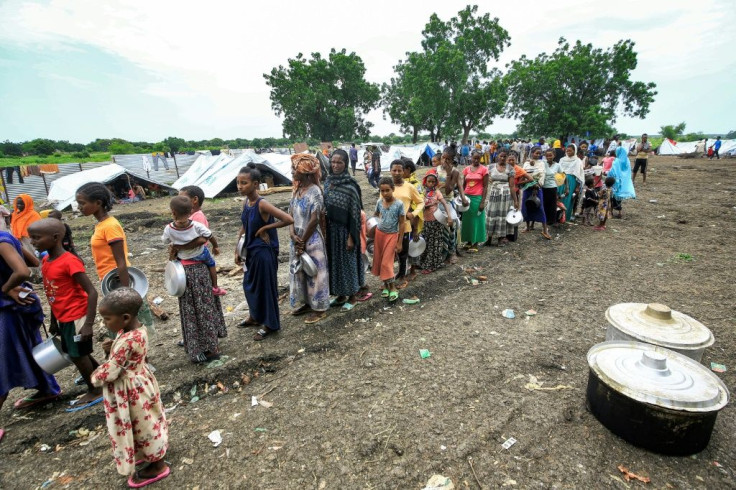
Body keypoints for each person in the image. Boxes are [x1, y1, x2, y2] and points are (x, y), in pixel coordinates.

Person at [91, 288, 169, 487]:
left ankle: (158, 465)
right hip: (141, 382)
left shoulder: (127, 340)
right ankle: (148, 452)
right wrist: (113, 347)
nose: (104, 323)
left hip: (131, 390)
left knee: (143, 425)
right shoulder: (135, 330)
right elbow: (125, 352)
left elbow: (110, 371)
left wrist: (95, 376)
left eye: (107, 319)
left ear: (125, 317)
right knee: (145, 421)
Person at [29, 219, 102, 411]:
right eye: (31, 237)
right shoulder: (46, 261)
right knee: (78, 353)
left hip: (76, 315)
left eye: (37, 238)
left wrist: (88, 323)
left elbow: (92, 292)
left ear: (55, 238)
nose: (33, 241)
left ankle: (95, 390)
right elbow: (53, 294)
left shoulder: (69, 261)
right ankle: (101, 379)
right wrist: (54, 321)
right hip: (63, 316)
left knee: (78, 355)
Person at [0, 229, 61, 435]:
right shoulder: (7, 236)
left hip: (10, 307)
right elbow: (35, 262)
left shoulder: (1, 241)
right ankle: (47, 389)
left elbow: (24, 272)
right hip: (18, 303)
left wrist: (6, 287)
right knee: (28, 346)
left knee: (4, 359)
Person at [74, 183, 155, 333]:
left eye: (82, 203)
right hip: (111, 282)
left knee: (129, 330)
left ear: (98, 203)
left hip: (119, 282)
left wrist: (125, 294)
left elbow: (121, 262)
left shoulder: (110, 226)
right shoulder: (101, 225)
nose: (79, 207)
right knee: (123, 332)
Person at [236, 164, 293, 340]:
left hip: (263, 254)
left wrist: (265, 228)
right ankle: (255, 316)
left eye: (244, 183)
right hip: (251, 252)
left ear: (255, 184)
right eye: (238, 183)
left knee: (266, 289)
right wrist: (237, 248)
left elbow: (288, 219)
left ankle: (270, 324)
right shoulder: (246, 202)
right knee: (250, 286)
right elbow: (244, 225)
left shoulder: (263, 204)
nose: (240, 186)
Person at [288, 154, 330, 324]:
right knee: (300, 272)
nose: (292, 172)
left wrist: (302, 240)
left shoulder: (315, 191)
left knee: (315, 273)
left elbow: (314, 219)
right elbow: (290, 214)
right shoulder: (296, 190)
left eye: (294, 169)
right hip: (297, 238)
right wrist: (292, 234)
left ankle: (319, 308)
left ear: (304, 172)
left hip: (311, 240)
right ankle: (307, 303)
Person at [324, 149, 364, 312]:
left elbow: (355, 213)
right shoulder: (328, 182)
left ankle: (353, 296)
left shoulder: (351, 185)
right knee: (335, 263)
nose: (335, 165)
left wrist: (351, 236)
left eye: (339, 162)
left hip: (346, 231)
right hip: (331, 231)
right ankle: (340, 294)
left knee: (348, 263)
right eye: (333, 162)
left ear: (346, 164)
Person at [162, 196, 225, 296]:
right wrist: (215, 246)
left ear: (173, 212)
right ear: (191, 210)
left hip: (182, 256)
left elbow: (165, 241)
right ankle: (215, 287)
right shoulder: (196, 225)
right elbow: (209, 235)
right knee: (212, 263)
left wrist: (175, 243)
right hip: (200, 253)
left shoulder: (168, 229)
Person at [428, 148, 467, 264]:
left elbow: (449, 190)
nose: (444, 161)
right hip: (435, 202)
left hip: (447, 202)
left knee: (451, 226)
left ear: (452, 160)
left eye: (447, 159)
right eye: (443, 158)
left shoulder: (454, 172)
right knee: (436, 227)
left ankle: (452, 252)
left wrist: (449, 174)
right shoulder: (435, 170)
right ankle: (440, 252)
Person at [389, 160, 423, 287]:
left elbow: (421, 202)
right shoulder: (387, 185)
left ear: (404, 171)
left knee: (402, 252)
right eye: (394, 170)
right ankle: (395, 275)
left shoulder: (409, 187)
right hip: (389, 226)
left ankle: (402, 275)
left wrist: (413, 214)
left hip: (404, 226)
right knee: (392, 253)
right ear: (390, 171)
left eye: (399, 170)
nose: (397, 173)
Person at [372, 177, 405, 302]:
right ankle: (386, 286)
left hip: (392, 235)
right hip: (379, 234)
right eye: (382, 191)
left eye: (387, 190)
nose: (385, 193)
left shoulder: (399, 204)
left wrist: (399, 241)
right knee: (380, 261)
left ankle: (393, 288)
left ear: (393, 189)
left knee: (387, 263)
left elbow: (402, 223)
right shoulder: (379, 202)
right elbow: (376, 215)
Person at [419, 173, 452, 273]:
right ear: (425, 182)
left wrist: (449, 216)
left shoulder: (437, 192)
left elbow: (444, 203)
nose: (431, 183)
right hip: (425, 221)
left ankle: (432, 265)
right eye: (429, 181)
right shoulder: (423, 192)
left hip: (435, 221)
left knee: (434, 244)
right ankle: (425, 263)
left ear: (436, 183)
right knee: (426, 242)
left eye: (433, 182)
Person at [484, 150, 519, 246]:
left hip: (506, 196)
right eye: (501, 156)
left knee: (502, 217)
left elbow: (512, 186)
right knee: (491, 215)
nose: (503, 158)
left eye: (505, 156)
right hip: (493, 194)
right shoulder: (490, 167)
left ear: (507, 157)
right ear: (497, 156)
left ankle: (500, 238)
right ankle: (489, 238)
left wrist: (515, 201)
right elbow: (485, 182)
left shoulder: (510, 169)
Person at [461, 150, 488, 250]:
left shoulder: (484, 170)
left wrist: (482, 202)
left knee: (476, 220)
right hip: (467, 198)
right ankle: (468, 241)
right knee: (467, 221)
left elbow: (485, 187)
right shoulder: (466, 169)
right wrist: (462, 197)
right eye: (474, 158)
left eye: (478, 158)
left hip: (477, 198)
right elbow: (463, 184)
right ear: (471, 157)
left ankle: (475, 242)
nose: (476, 160)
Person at [521, 148, 549, 237]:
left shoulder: (541, 163)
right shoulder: (526, 163)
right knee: (527, 206)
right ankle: (528, 226)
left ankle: (545, 229)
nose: (538, 155)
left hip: (537, 188)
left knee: (540, 207)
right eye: (536, 153)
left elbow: (542, 174)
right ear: (532, 153)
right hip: (527, 188)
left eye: (539, 153)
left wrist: (538, 184)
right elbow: (523, 174)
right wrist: (528, 182)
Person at [608, 146, 636, 218]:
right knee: (619, 198)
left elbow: (613, 171)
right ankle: (620, 212)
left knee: (612, 198)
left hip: (615, 181)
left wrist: (608, 175)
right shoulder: (627, 160)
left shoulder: (616, 161)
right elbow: (629, 171)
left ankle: (611, 212)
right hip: (623, 182)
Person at [10, 194, 41, 260]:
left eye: (22, 204)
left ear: (28, 203)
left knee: (33, 255)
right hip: (18, 239)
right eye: (18, 204)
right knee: (23, 257)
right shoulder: (15, 214)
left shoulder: (33, 214)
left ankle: (40, 269)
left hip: (30, 239)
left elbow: (39, 228)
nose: (19, 206)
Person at [558, 144, 584, 222]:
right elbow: (558, 171)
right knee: (559, 197)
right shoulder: (562, 159)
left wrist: (578, 187)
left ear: (574, 151)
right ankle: (557, 216)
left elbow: (579, 175)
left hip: (572, 181)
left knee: (568, 198)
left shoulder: (577, 161)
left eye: (570, 150)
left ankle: (565, 217)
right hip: (561, 180)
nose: (568, 152)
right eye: (567, 150)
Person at [542, 149, 562, 233]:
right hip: (543, 187)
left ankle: (552, 221)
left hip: (553, 187)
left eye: (550, 155)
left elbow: (562, 176)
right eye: (547, 155)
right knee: (544, 205)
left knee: (552, 205)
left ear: (554, 155)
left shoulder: (557, 165)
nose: (548, 157)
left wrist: (566, 188)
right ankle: (544, 221)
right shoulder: (543, 164)